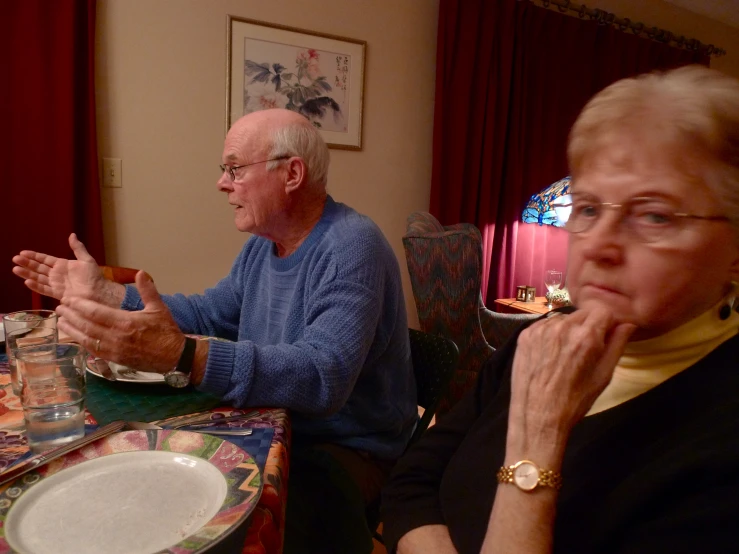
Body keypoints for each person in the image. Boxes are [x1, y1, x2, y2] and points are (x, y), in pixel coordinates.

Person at [13, 108, 417, 553]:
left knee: (220, 514)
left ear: (292, 173)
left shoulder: (351, 245)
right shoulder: (262, 248)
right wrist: (109, 294)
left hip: (349, 448)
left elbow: (323, 378)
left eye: (234, 168)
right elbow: (208, 314)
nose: (222, 183)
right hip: (279, 420)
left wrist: (183, 355)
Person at [381, 65, 739, 553]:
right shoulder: (544, 337)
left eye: (654, 215)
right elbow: (412, 480)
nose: (599, 247)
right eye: (588, 208)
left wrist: (537, 443)